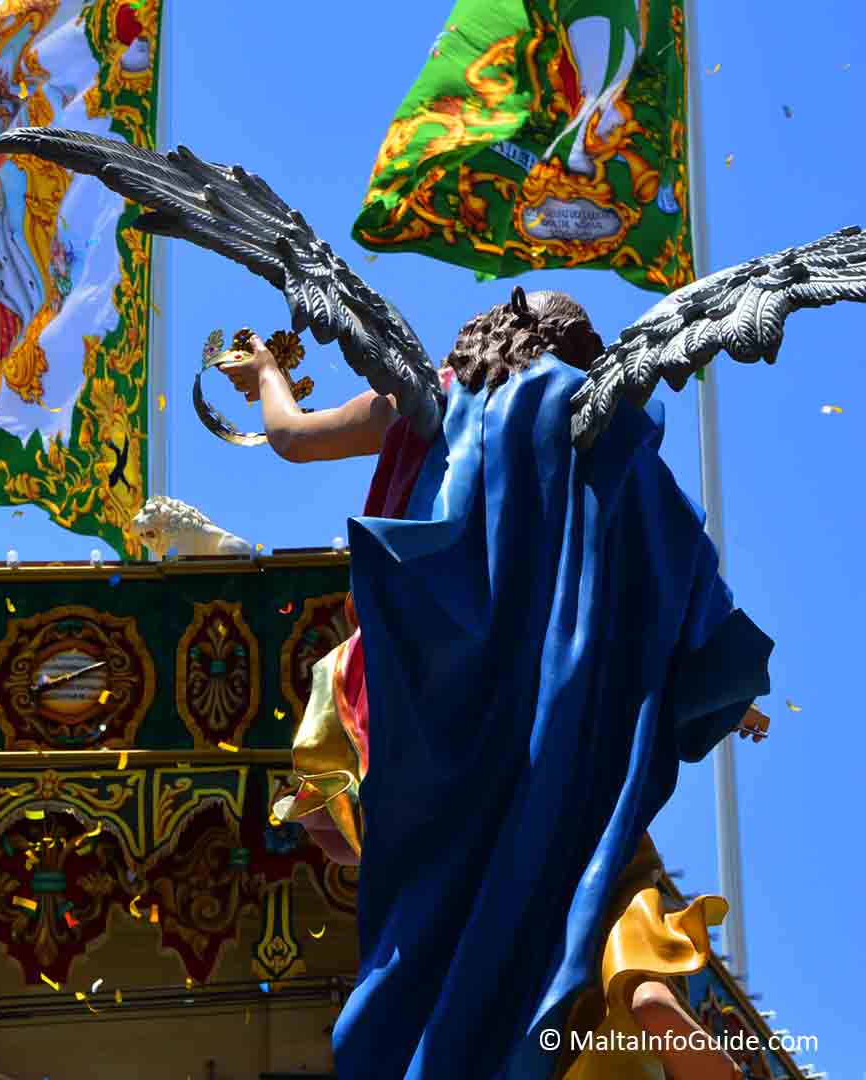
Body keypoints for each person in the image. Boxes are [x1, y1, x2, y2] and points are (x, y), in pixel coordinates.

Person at [228, 289, 766, 1080]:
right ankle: (641, 977)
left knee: (360, 755)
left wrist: (271, 371)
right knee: (602, 863)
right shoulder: (601, 424)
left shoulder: (419, 398)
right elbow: (679, 558)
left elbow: (289, 438)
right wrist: (728, 680)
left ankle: (345, 814)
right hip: (562, 712)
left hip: (430, 704)